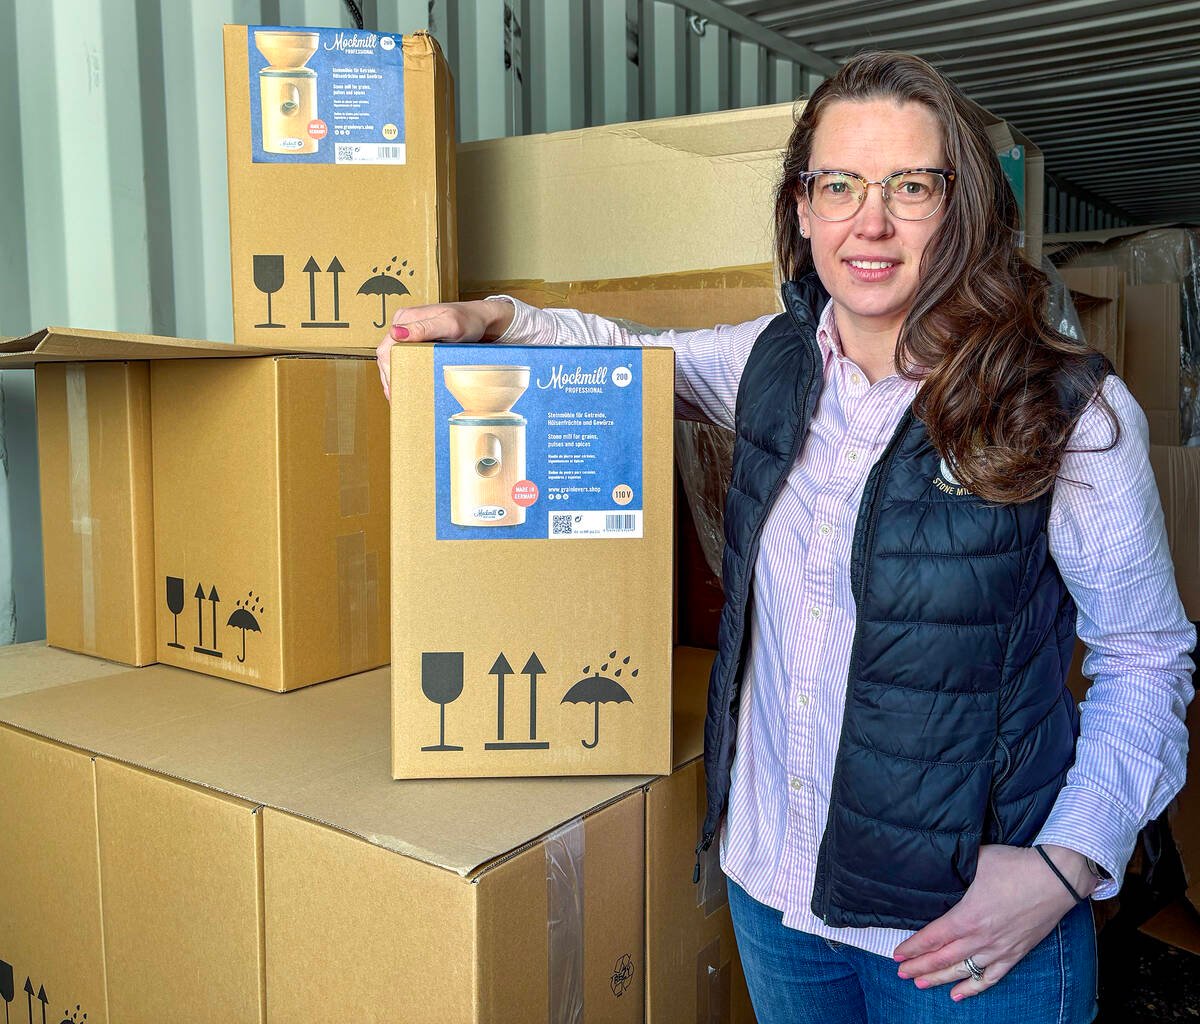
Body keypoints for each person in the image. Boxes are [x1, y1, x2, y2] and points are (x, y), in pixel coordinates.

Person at [377, 51, 1194, 1024]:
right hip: (775, 901)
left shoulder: (1067, 409)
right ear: (802, 208)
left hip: (967, 938)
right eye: (839, 183)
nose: (870, 220)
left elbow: (1145, 655)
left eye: (911, 186)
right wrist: (491, 319)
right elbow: (632, 360)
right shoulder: (771, 363)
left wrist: (1068, 865)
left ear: (962, 208)